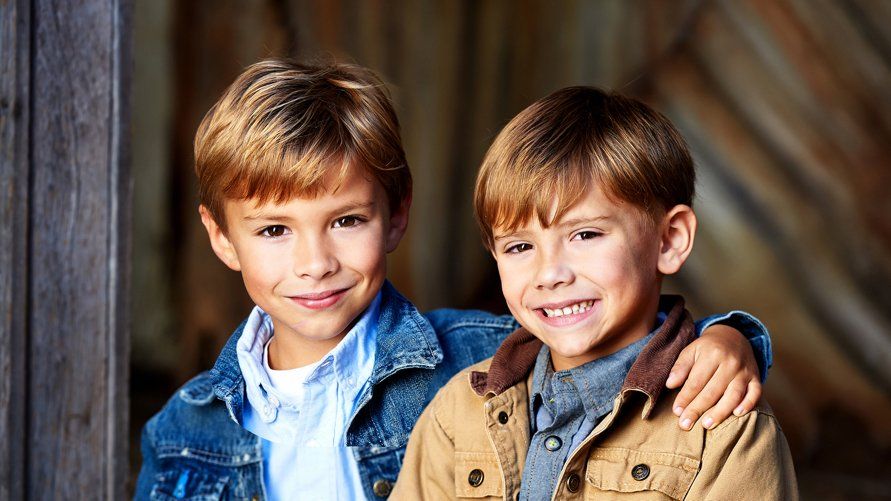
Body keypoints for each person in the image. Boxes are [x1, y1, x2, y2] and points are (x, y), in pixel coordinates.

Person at [135, 60, 774, 500]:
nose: (314, 262)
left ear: (397, 214)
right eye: (274, 230)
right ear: (221, 237)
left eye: (347, 220)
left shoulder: (477, 363)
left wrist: (730, 339)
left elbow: (609, 343)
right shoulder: (183, 431)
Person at [392, 86, 797, 500]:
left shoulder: (726, 431)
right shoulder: (457, 412)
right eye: (519, 247)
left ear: (670, 240)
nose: (549, 274)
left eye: (585, 234)